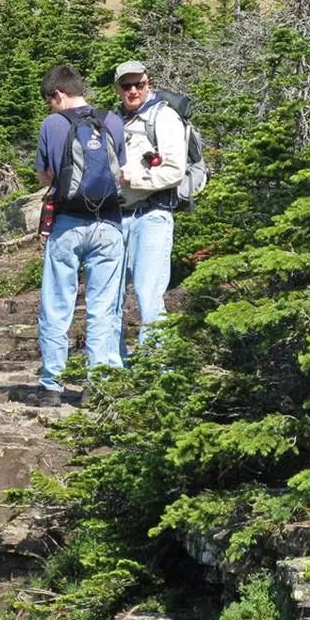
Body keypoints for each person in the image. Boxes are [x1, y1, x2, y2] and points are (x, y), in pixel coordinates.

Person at [29, 64, 127, 407]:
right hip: (110, 225)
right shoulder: (112, 120)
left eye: (49, 101)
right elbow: (122, 174)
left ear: (58, 94)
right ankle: (98, 387)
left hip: (68, 224)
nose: (50, 107)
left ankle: (51, 385)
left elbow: (45, 178)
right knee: (104, 307)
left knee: (57, 304)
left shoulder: (52, 124)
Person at [114, 60, 185, 353]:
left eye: (138, 84)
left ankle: (157, 372)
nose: (133, 91)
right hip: (118, 217)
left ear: (148, 83)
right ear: (117, 89)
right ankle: (112, 368)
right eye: (126, 86)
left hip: (153, 215)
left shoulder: (164, 118)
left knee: (148, 295)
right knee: (110, 296)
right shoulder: (115, 121)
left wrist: (135, 178)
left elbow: (175, 171)